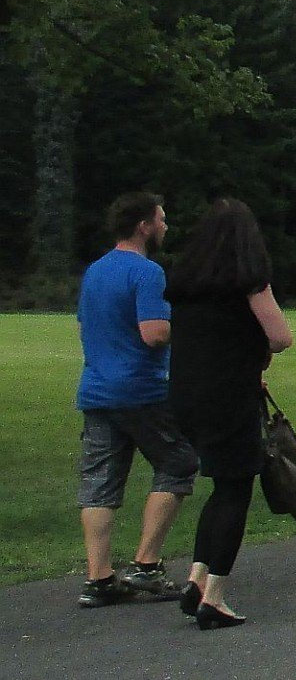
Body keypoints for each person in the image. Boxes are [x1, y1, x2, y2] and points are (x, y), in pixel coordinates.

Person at [167, 199, 294, 630]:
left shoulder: (183, 285)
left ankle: (197, 577)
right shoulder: (249, 282)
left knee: (220, 487)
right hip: (230, 394)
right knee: (235, 489)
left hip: (186, 394)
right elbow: (280, 338)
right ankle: (215, 597)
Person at [73, 192, 198, 607]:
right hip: (141, 390)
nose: (165, 226)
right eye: (161, 219)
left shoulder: (95, 271)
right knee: (178, 462)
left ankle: (99, 578)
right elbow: (154, 333)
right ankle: (146, 565)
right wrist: (193, 330)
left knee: (100, 482)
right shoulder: (147, 273)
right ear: (144, 225)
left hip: (96, 389)